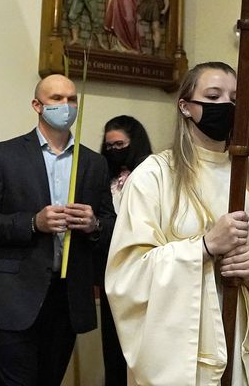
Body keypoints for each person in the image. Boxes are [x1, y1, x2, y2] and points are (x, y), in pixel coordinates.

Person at [105, 61, 249, 385]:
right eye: (213, 96)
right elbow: (128, 275)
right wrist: (206, 247)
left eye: (235, 98)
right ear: (185, 106)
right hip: (184, 353)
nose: (227, 105)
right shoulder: (154, 176)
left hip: (243, 345)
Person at [0, 74, 114, 386]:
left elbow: (112, 227)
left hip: (68, 298)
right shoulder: (4, 154)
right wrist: (33, 222)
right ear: (37, 105)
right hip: (14, 295)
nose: (66, 105)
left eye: (72, 99)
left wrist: (94, 224)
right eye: (57, 99)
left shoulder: (94, 163)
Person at [97, 115, 153, 386]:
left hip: (144, 276)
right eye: (109, 147)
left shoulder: (152, 176)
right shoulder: (105, 179)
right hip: (111, 273)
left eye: (120, 145)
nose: (114, 152)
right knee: (113, 350)